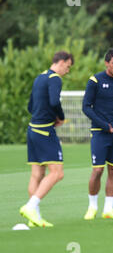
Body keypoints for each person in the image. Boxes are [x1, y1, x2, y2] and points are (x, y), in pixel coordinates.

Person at [20, 51, 74, 227]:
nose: (67, 71)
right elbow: (54, 101)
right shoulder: (55, 79)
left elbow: (30, 105)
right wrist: (60, 117)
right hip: (44, 130)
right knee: (57, 173)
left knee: (37, 174)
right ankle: (30, 206)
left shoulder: (39, 77)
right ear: (62, 62)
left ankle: (34, 217)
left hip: (32, 129)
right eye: (68, 66)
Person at [82, 48, 113, 220]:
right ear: (106, 63)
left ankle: (109, 209)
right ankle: (92, 207)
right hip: (100, 132)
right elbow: (86, 107)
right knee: (97, 170)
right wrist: (104, 125)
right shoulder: (95, 80)